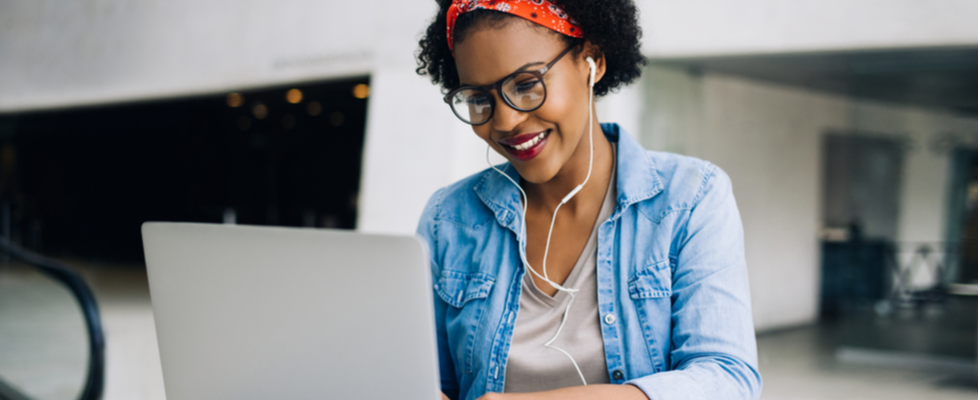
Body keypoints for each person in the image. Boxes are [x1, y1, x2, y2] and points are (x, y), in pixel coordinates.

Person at [414, 1, 761, 399]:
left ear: (591, 61)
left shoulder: (690, 198)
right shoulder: (449, 218)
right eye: (479, 99)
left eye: (526, 85)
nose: (505, 122)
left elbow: (727, 380)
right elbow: (424, 380)